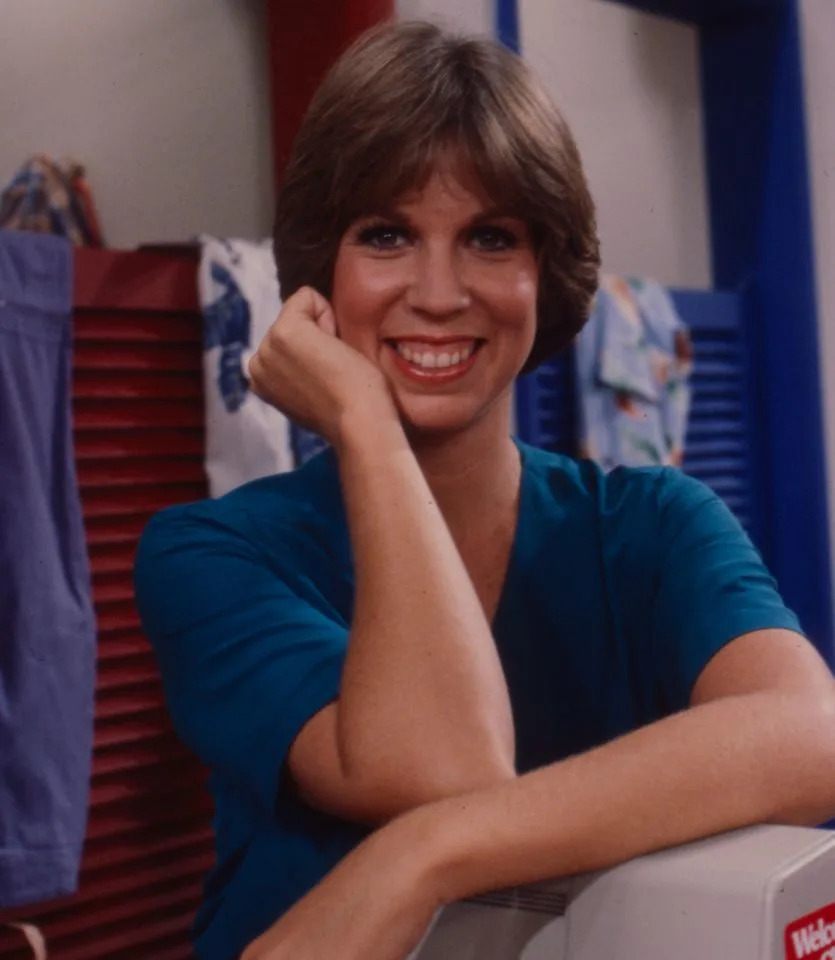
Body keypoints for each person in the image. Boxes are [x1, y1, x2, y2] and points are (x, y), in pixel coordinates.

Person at [133, 21, 835, 960]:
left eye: (489, 238)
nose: (436, 290)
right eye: (385, 234)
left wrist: (415, 859)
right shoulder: (210, 554)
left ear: (542, 274)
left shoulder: (655, 525)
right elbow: (446, 770)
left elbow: (814, 733)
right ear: (321, 275)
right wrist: (366, 424)